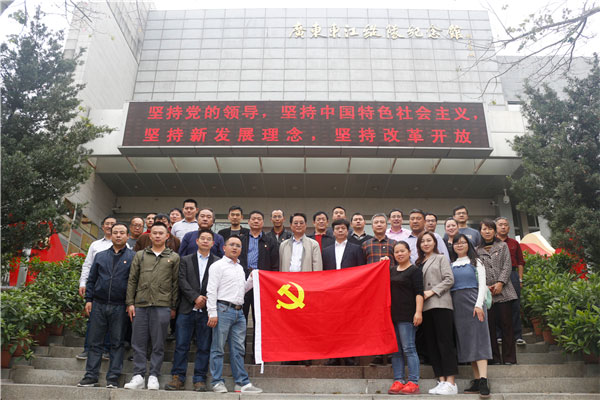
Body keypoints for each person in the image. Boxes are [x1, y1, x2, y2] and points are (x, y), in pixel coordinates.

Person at [77, 223, 135, 389]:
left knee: (117, 343)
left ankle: (113, 378)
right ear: (111, 234)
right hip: (99, 304)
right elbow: (92, 279)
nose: (118, 235)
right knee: (95, 342)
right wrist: (89, 299)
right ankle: (90, 376)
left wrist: (130, 303)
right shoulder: (100, 255)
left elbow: (135, 282)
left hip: (120, 306)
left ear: (127, 236)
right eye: (115, 232)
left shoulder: (134, 257)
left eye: (122, 233)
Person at [124, 222, 180, 390]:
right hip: (140, 304)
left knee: (158, 343)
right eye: (154, 233)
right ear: (150, 235)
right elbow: (132, 280)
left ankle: (154, 375)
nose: (157, 236)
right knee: (138, 342)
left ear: (167, 236)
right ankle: (138, 375)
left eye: (161, 233)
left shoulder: (174, 257)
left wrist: (173, 306)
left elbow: (175, 284)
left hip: (162, 305)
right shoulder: (140, 255)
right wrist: (130, 303)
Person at [165, 229, 219, 392]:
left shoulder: (218, 262)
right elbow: (181, 280)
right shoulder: (185, 260)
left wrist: (205, 299)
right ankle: (177, 377)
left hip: (207, 310)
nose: (205, 241)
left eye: (208, 239)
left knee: (204, 346)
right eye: (202, 238)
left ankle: (199, 379)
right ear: (197, 241)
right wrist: (195, 297)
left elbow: (218, 284)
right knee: (181, 344)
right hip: (187, 308)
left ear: (213, 243)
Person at [207, 236, 262, 394]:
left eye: (238, 245)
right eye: (231, 244)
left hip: (239, 312)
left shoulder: (239, 268)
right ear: (224, 248)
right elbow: (211, 290)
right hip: (222, 310)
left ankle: (241, 383)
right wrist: (212, 312)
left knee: (238, 350)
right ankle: (217, 381)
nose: (235, 247)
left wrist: (250, 280)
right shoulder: (217, 266)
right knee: (218, 348)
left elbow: (241, 290)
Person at [450, 234, 492, 398]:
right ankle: (476, 379)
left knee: (479, 340)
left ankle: (484, 380)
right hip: (458, 306)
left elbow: (482, 285)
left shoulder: (476, 262)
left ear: (468, 245)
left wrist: (478, 304)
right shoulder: (451, 264)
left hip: (474, 303)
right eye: (456, 243)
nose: (459, 245)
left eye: (463, 242)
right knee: (467, 342)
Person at [417, 231, 458, 395]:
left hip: (441, 304)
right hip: (425, 307)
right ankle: (441, 380)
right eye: (422, 241)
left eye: (429, 240)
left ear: (435, 242)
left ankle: (451, 382)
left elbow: (449, 279)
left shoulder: (441, 258)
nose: (426, 243)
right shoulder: (418, 262)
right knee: (432, 344)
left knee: (445, 342)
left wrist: (432, 291)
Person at [322, 219, 364, 367]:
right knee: (332, 325)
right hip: (331, 292)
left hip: (350, 292)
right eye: (337, 228)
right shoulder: (326, 250)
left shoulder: (356, 249)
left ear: (348, 231)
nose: (340, 231)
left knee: (349, 325)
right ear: (333, 232)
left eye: (343, 228)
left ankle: (349, 356)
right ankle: (333, 356)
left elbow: (361, 270)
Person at [476, 219, 518, 365]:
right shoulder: (476, 250)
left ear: (494, 231)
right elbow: (477, 271)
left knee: (507, 325)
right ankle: (493, 358)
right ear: (480, 231)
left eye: (490, 229)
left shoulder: (503, 246)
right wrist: (485, 287)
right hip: (487, 293)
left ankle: (509, 358)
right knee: (490, 327)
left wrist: (500, 282)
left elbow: (507, 265)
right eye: (484, 229)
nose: (487, 231)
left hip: (504, 291)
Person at [238, 210, 279, 355]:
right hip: (243, 282)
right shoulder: (241, 239)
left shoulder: (270, 241)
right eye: (253, 219)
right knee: (241, 318)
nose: (256, 221)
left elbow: (275, 265)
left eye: (259, 219)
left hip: (262, 284)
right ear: (248, 222)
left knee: (260, 319)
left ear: (263, 222)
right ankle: (240, 353)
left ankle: (258, 354)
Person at [76, 215, 116, 360]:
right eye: (107, 224)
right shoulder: (95, 245)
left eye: (113, 224)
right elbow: (87, 265)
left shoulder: (124, 246)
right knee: (93, 320)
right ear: (103, 227)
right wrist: (83, 283)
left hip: (114, 290)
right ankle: (88, 349)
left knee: (111, 321)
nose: (110, 226)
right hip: (97, 286)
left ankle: (106, 349)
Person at [387, 241, 423, 395]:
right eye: (396, 252)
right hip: (392, 315)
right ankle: (399, 380)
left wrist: (418, 312)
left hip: (408, 315)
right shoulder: (391, 270)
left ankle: (413, 382)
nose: (399, 254)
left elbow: (419, 293)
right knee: (396, 350)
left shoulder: (415, 270)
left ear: (409, 252)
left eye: (402, 251)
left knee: (409, 348)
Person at [362, 213, 396, 365]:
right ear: (372, 226)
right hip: (373, 290)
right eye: (376, 222)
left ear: (386, 225)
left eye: (382, 222)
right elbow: (362, 268)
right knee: (375, 321)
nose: (379, 224)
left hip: (391, 287)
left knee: (391, 319)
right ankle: (377, 353)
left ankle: (391, 354)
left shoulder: (394, 244)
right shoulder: (366, 245)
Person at [495, 217, 526, 346]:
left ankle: (517, 335)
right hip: (496, 275)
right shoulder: (491, 243)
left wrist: (520, 279)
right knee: (497, 305)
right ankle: (499, 335)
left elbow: (520, 262)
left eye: (505, 225)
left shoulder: (514, 243)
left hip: (512, 275)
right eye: (500, 225)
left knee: (515, 306)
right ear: (496, 227)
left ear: (509, 228)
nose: (503, 227)